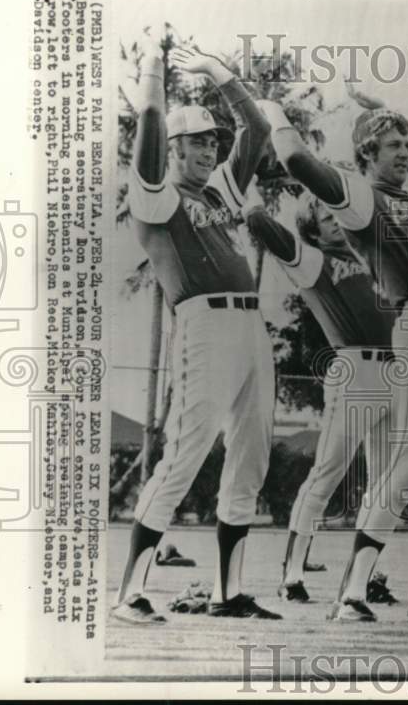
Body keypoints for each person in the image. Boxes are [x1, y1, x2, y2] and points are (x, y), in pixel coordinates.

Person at [273, 85, 408, 622]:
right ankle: (352, 591)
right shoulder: (361, 195)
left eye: (406, 142)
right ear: (367, 153)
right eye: (391, 143)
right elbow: (298, 159)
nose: (404, 151)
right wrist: (270, 110)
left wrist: (378, 106)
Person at [112, 43, 280, 624]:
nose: (208, 148)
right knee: (185, 453)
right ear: (173, 152)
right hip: (204, 323)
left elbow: (255, 128)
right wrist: (155, 75)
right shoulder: (156, 195)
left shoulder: (219, 191)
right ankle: (129, 592)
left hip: (251, 324)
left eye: (211, 140)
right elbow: (153, 128)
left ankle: (228, 591)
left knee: (250, 455)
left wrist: (216, 72)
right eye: (196, 142)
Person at [244, 185, 396, 604]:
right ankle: (292, 574)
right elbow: (263, 227)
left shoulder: (369, 258)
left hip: (399, 370)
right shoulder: (315, 261)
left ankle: (368, 577)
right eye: (328, 217)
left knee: (387, 482)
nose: (338, 221)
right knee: (328, 473)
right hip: (356, 371)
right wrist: (253, 196)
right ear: (314, 230)